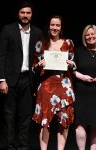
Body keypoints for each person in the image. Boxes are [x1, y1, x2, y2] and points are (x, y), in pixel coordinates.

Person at [0, 1, 42, 150]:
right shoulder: (8, 30)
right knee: (9, 115)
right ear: (18, 14)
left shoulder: (37, 32)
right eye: (22, 12)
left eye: (28, 13)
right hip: (10, 79)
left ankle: (23, 146)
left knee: (25, 116)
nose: (25, 15)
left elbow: (39, 55)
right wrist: (2, 80)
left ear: (32, 15)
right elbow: (0, 55)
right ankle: (9, 146)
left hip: (28, 79)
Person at [32, 15, 75, 150]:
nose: (54, 28)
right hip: (46, 84)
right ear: (48, 26)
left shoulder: (68, 43)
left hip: (64, 86)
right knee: (45, 121)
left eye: (57, 25)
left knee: (64, 120)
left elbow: (73, 64)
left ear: (61, 27)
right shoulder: (41, 44)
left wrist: (71, 64)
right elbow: (34, 68)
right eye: (52, 25)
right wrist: (39, 64)